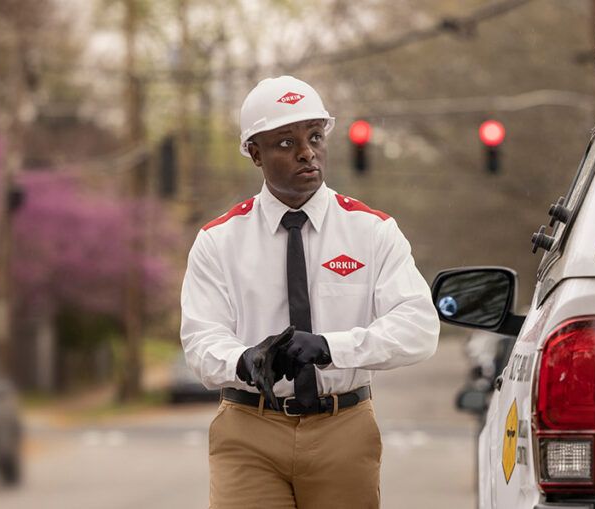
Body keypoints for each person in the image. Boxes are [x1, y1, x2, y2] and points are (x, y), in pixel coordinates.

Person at [180, 75, 440, 508]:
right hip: (248, 428)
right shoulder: (218, 241)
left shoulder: (373, 231)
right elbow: (200, 341)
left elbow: (418, 328)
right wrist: (245, 360)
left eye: (315, 136)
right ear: (255, 153)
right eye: (286, 142)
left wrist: (330, 347)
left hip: (343, 427)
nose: (307, 152)